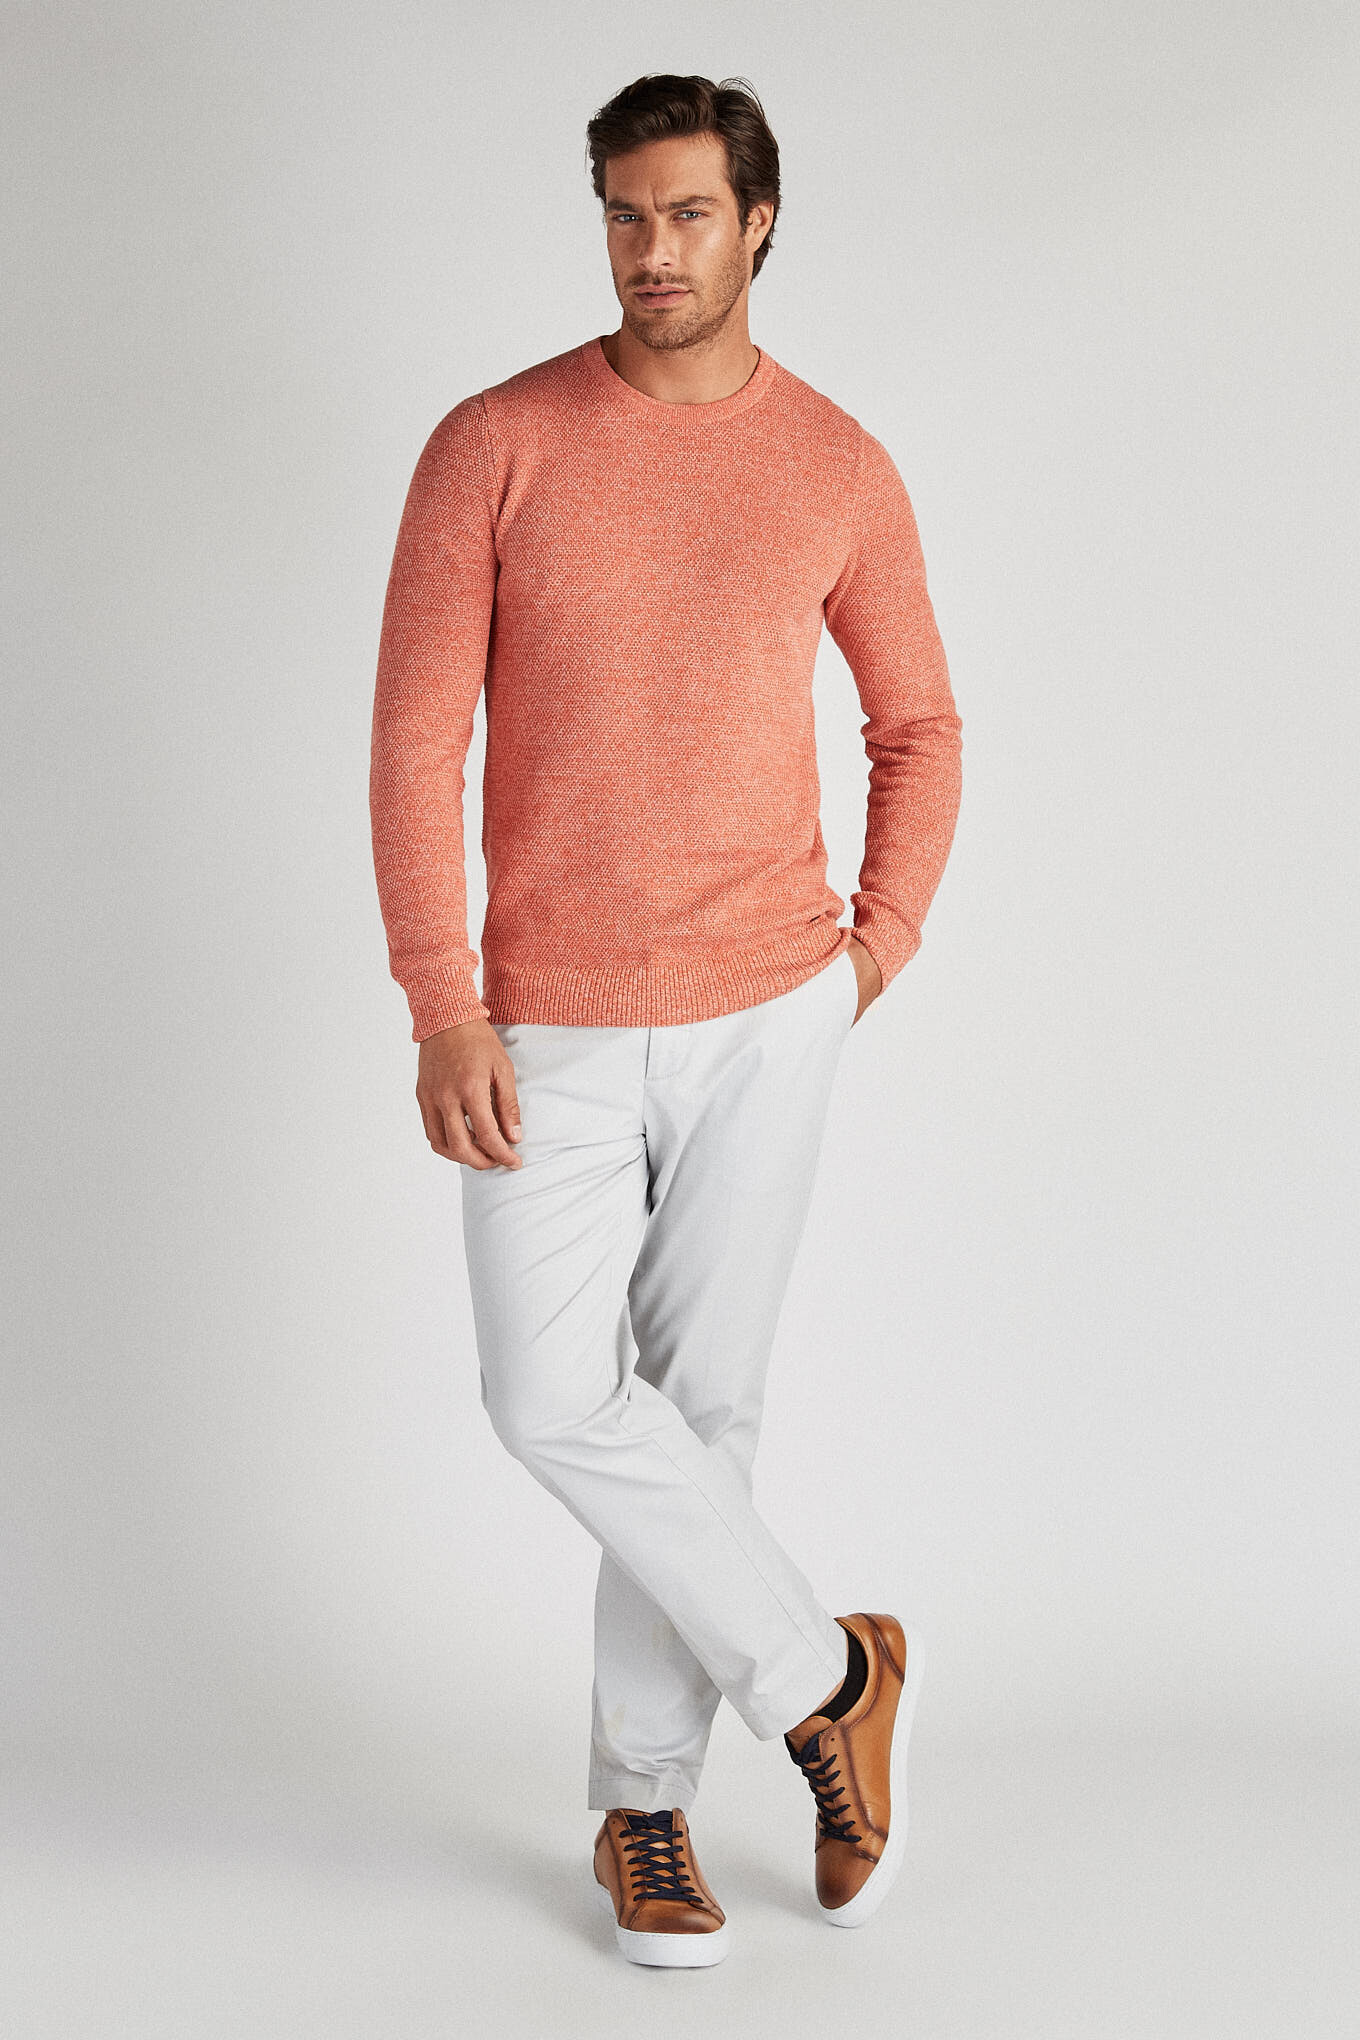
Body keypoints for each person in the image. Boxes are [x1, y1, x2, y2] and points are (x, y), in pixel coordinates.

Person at [368, 71, 962, 1968]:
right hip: (543, 1016)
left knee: (703, 1414)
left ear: (759, 222)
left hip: (770, 1002)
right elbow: (415, 741)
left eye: (689, 214)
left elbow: (918, 725)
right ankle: (829, 1677)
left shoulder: (837, 464)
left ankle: (645, 1805)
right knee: (548, 1395)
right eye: (625, 214)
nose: (652, 250)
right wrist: (442, 1000)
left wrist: (869, 955)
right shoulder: (494, 445)